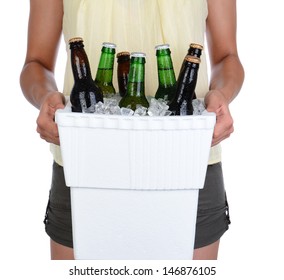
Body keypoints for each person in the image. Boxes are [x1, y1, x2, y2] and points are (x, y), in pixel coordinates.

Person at [20, 0, 244, 260]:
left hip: (188, 161)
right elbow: (36, 62)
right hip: (83, 162)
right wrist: (45, 96)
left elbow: (228, 56)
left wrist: (222, 95)